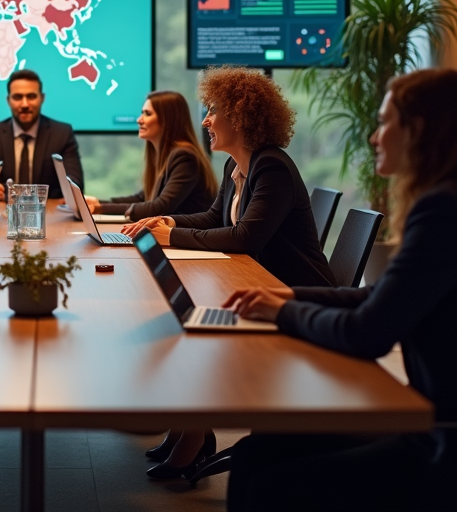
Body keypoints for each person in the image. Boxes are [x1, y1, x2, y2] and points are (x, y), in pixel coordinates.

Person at [224, 68, 457, 512]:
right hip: (449, 424)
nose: (375, 137)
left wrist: (283, 314)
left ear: (419, 129)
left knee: (270, 484)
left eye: (385, 123)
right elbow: (381, 298)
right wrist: (293, 297)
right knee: (256, 454)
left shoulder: (446, 211)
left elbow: (367, 332)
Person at [123, 66, 336, 479]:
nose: (205, 121)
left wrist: (174, 237)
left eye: (213, 111)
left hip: (294, 294)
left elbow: (245, 237)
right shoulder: (237, 166)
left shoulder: (271, 167)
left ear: (240, 117)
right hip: (259, 282)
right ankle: (191, 427)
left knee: (192, 323)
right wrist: (166, 222)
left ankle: (194, 432)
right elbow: (211, 216)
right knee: (183, 315)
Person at [83, 90, 216, 220]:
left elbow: (160, 207)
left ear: (167, 119)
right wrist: (98, 202)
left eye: (147, 114)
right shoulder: (165, 154)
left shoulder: (184, 157)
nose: (139, 120)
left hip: (185, 238)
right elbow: (143, 197)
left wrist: (101, 208)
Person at [0, 69, 84, 201]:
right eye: (17, 97)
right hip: (3, 215)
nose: (25, 104)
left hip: (49, 215)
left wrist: (69, 194)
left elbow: (75, 183)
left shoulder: (62, 133)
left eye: (31, 96)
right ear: (8, 100)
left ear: (42, 98)